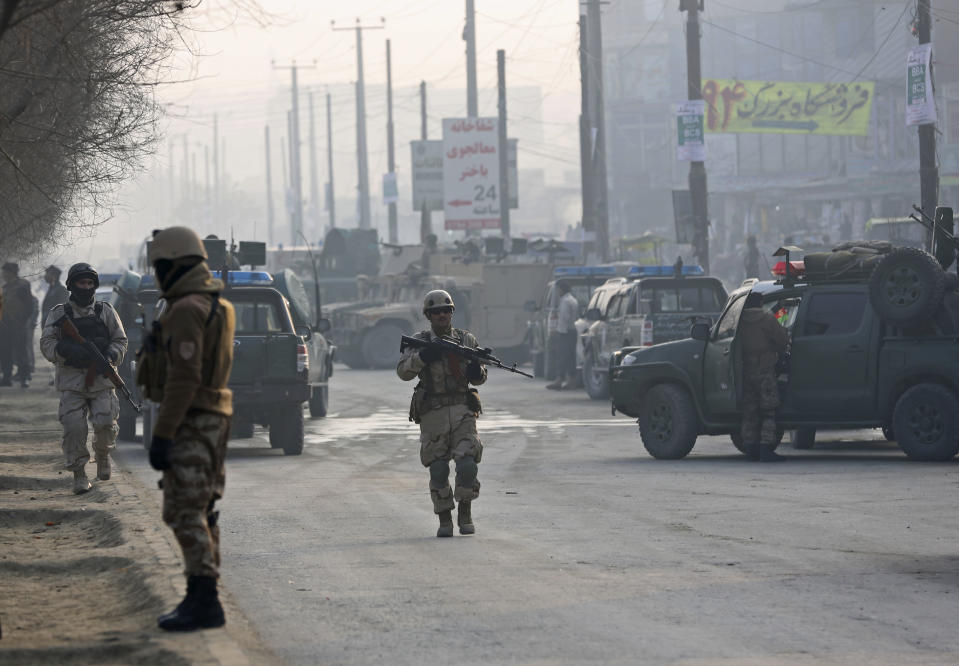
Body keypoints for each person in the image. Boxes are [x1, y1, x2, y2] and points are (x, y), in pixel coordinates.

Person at [139, 226, 235, 631]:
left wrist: (163, 433)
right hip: (212, 415)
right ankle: (202, 594)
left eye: (161, 266)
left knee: (183, 509)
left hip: (193, 418)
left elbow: (183, 377)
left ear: (175, 266)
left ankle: (205, 599)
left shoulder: (186, 309)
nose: (159, 274)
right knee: (202, 508)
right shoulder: (214, 304)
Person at [397, 289, 487, 537]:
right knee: (438, 469)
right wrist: (424, 357)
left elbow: (480, 378)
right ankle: (445, 518)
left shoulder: (466, 340)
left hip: (462, 409)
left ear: (452, 313)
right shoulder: (420, 340)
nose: (442, 315)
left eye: (446, 310)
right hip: (433, 412)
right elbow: (403, 372)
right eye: (436, 312)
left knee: (467, 465)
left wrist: (476, 373)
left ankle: (465, 512)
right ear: (428, 315)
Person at [40, 263, 128, 492]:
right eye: (82, 283)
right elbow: (47, 343)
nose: (86, 287)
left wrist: (110, 354)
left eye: (90, 283)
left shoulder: (105, 311)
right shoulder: (59, 313)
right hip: (72, 382)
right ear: (72, 285)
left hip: (101, 380)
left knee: (105, 423)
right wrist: (66, 351)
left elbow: (121, 340)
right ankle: (79, 473)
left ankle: (102, 455)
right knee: (74, 428)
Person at [738, 291, 790, 462]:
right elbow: (782, 340)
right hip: (765, 370)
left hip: (745, 370)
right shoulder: (768, 319)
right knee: (768, 411)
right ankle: (766, 448)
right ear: (760, 303)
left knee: (750, 411)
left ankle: (750, 447)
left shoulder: (739, 320)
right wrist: (782, 316)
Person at [0, 262, 34, 387]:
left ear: (12, 272)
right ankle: (6, 377)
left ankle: (24, 378)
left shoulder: (23, 285)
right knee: (5, 352)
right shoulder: (5, 287)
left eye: (5, 272)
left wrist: (23, 321)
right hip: (5, 325)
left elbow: (29, 306)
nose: (3, 274)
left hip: (19, 324)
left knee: (21, 352)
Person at [546, 279, 579, 390]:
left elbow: (564, 318)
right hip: (572, 331)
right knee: (571, 357)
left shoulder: (565, 301)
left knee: (561, 356)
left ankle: (559, 380)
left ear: (561, 289)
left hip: (565, 332)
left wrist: (557, 331)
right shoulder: (573, 299)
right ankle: (572, 380)